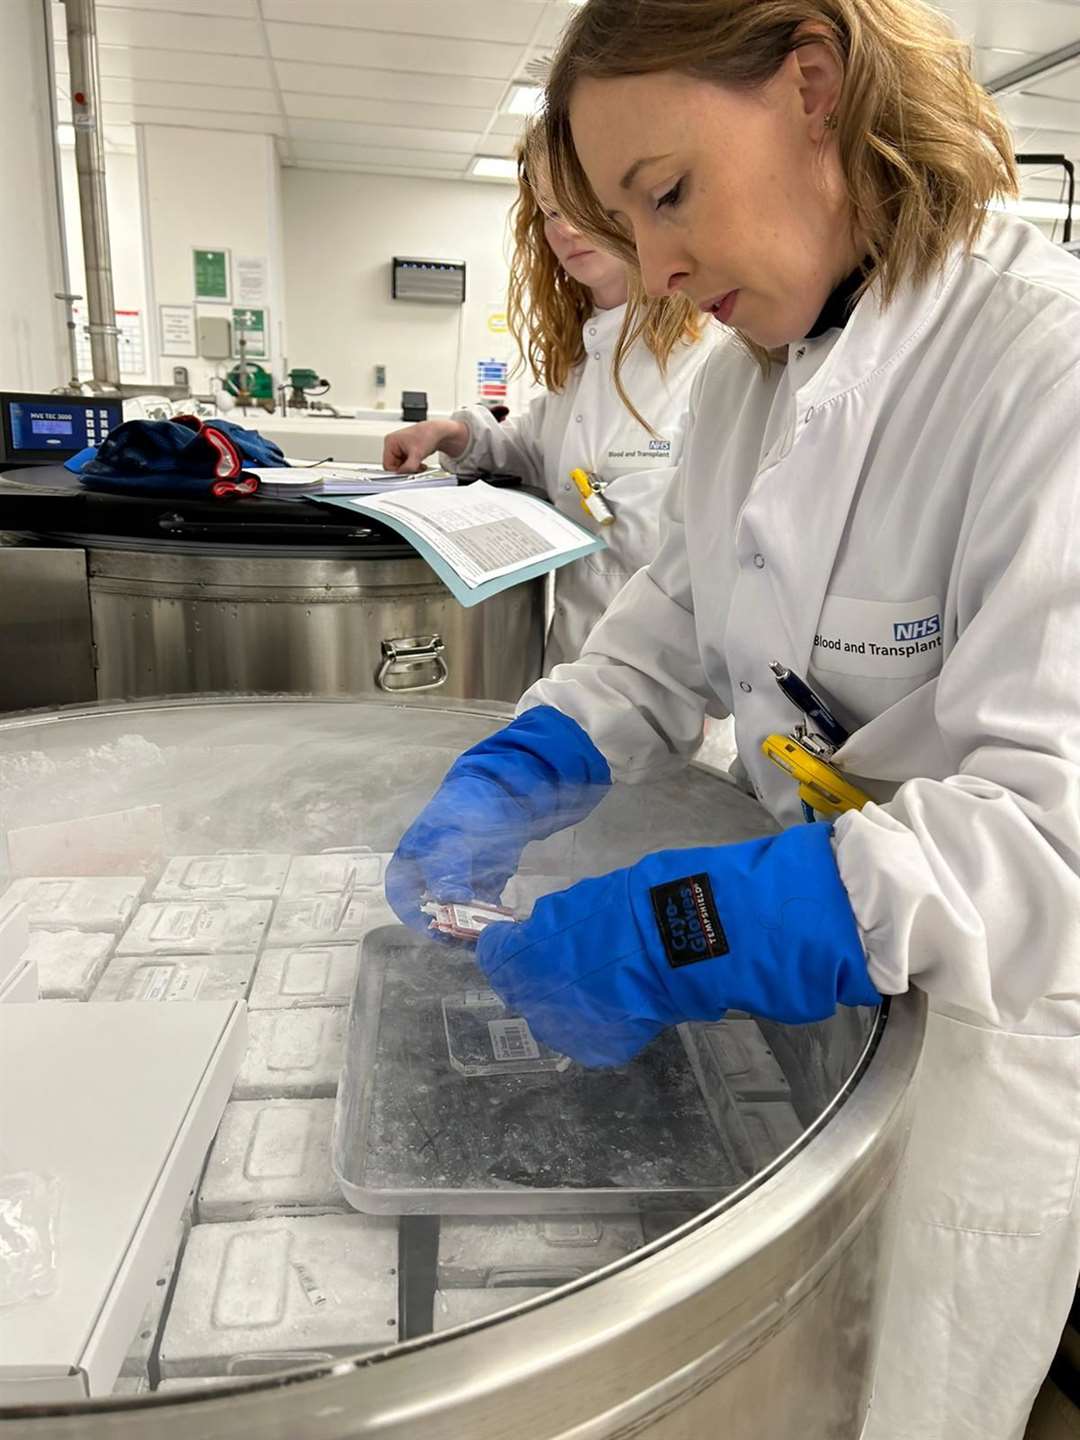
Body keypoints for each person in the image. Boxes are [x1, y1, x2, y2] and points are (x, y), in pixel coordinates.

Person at [385, 1, 1080, 1436]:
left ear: (813, 89)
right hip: (820, 997)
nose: (657, 267)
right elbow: (659, 638)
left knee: (896, 1404)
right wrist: (522, 768)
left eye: (668, 193)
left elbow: (1051, 841)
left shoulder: (1042, 368)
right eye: (630, 224)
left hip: (987, 1030)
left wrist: (692, 927)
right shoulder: (747, 387)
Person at [382, 119, 721, 673]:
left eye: (583, 203)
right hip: (573, 664)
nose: (566, 229)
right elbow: (541, 457)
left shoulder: (710, 354)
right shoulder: (580, 358)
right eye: (551, 211)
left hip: (682, 688)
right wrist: (454, 433)